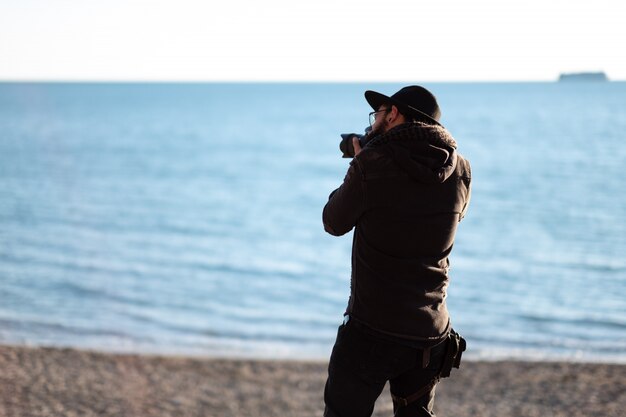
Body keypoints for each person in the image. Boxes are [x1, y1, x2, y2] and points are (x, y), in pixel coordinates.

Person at [322, 86, 471, 417]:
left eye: (379, 113)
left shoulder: (371, 164)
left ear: (394, 114)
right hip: (429, 333)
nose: (374, 121)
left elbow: (333, 221)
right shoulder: (461, 170)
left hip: (371, 330)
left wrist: (360, 164)